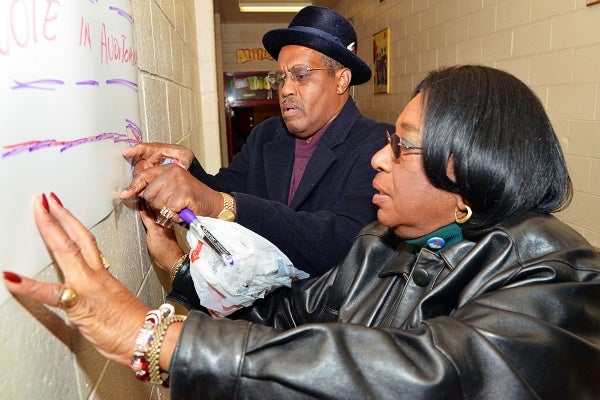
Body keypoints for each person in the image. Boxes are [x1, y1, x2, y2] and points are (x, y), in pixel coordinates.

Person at [4, 65, 600, 399]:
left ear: (462, 167)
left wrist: (149, 338)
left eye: (400, 146)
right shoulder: (382, 244)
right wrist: (180, 273)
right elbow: (284, 313)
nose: (378, 159)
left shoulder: (560, 278)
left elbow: (432, 374)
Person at [119, 6, 393, 277]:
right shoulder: (267, 136)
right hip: (261, 310)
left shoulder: (378, 145)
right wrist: (182, 168)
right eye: (281, 77)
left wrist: (224, 206)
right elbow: (222, 190)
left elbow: (342, 241)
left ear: (341, 80)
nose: (285, 89)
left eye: (301, 75)